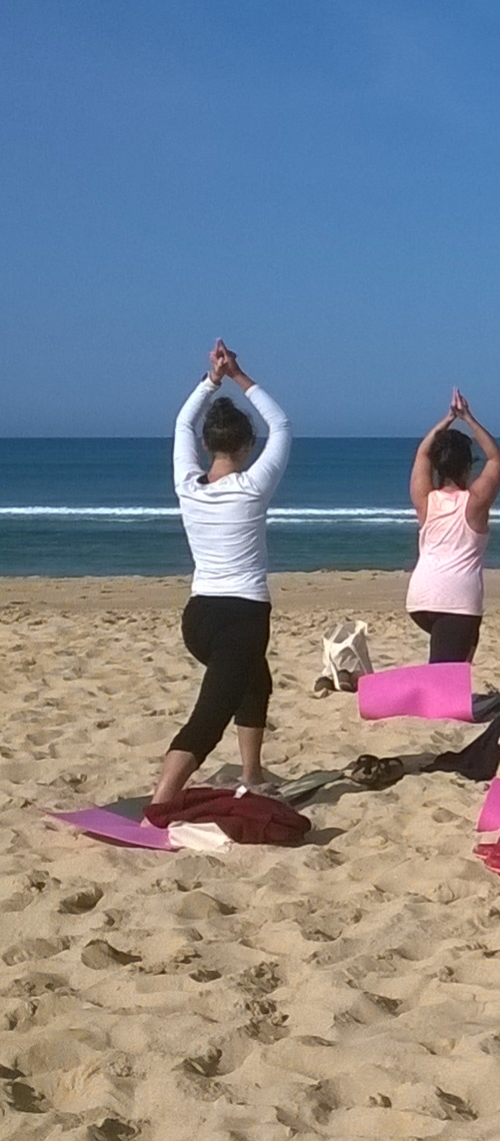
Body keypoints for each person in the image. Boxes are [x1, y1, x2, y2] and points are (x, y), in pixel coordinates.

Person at [152, 340, 292, 806]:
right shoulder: (253, 487)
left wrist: (212, 380)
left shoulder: (187, 486)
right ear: (248, 446)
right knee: (209, 717)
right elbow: (282, 423)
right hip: (242, 620)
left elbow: (181, 423)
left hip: (198, 619)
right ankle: (161, 801)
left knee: (257, 681)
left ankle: (251, 773)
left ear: (208, 444)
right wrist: (238, 375)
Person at [406, 389, 500, 663]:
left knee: (467, 643)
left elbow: (421, 455)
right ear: (467, 468)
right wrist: (468, 418)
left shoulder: (426, 500)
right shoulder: (474, 504)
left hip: (420, 598)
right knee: (444, 677)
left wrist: (447, 419)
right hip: (455, 601)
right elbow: (495, 458)